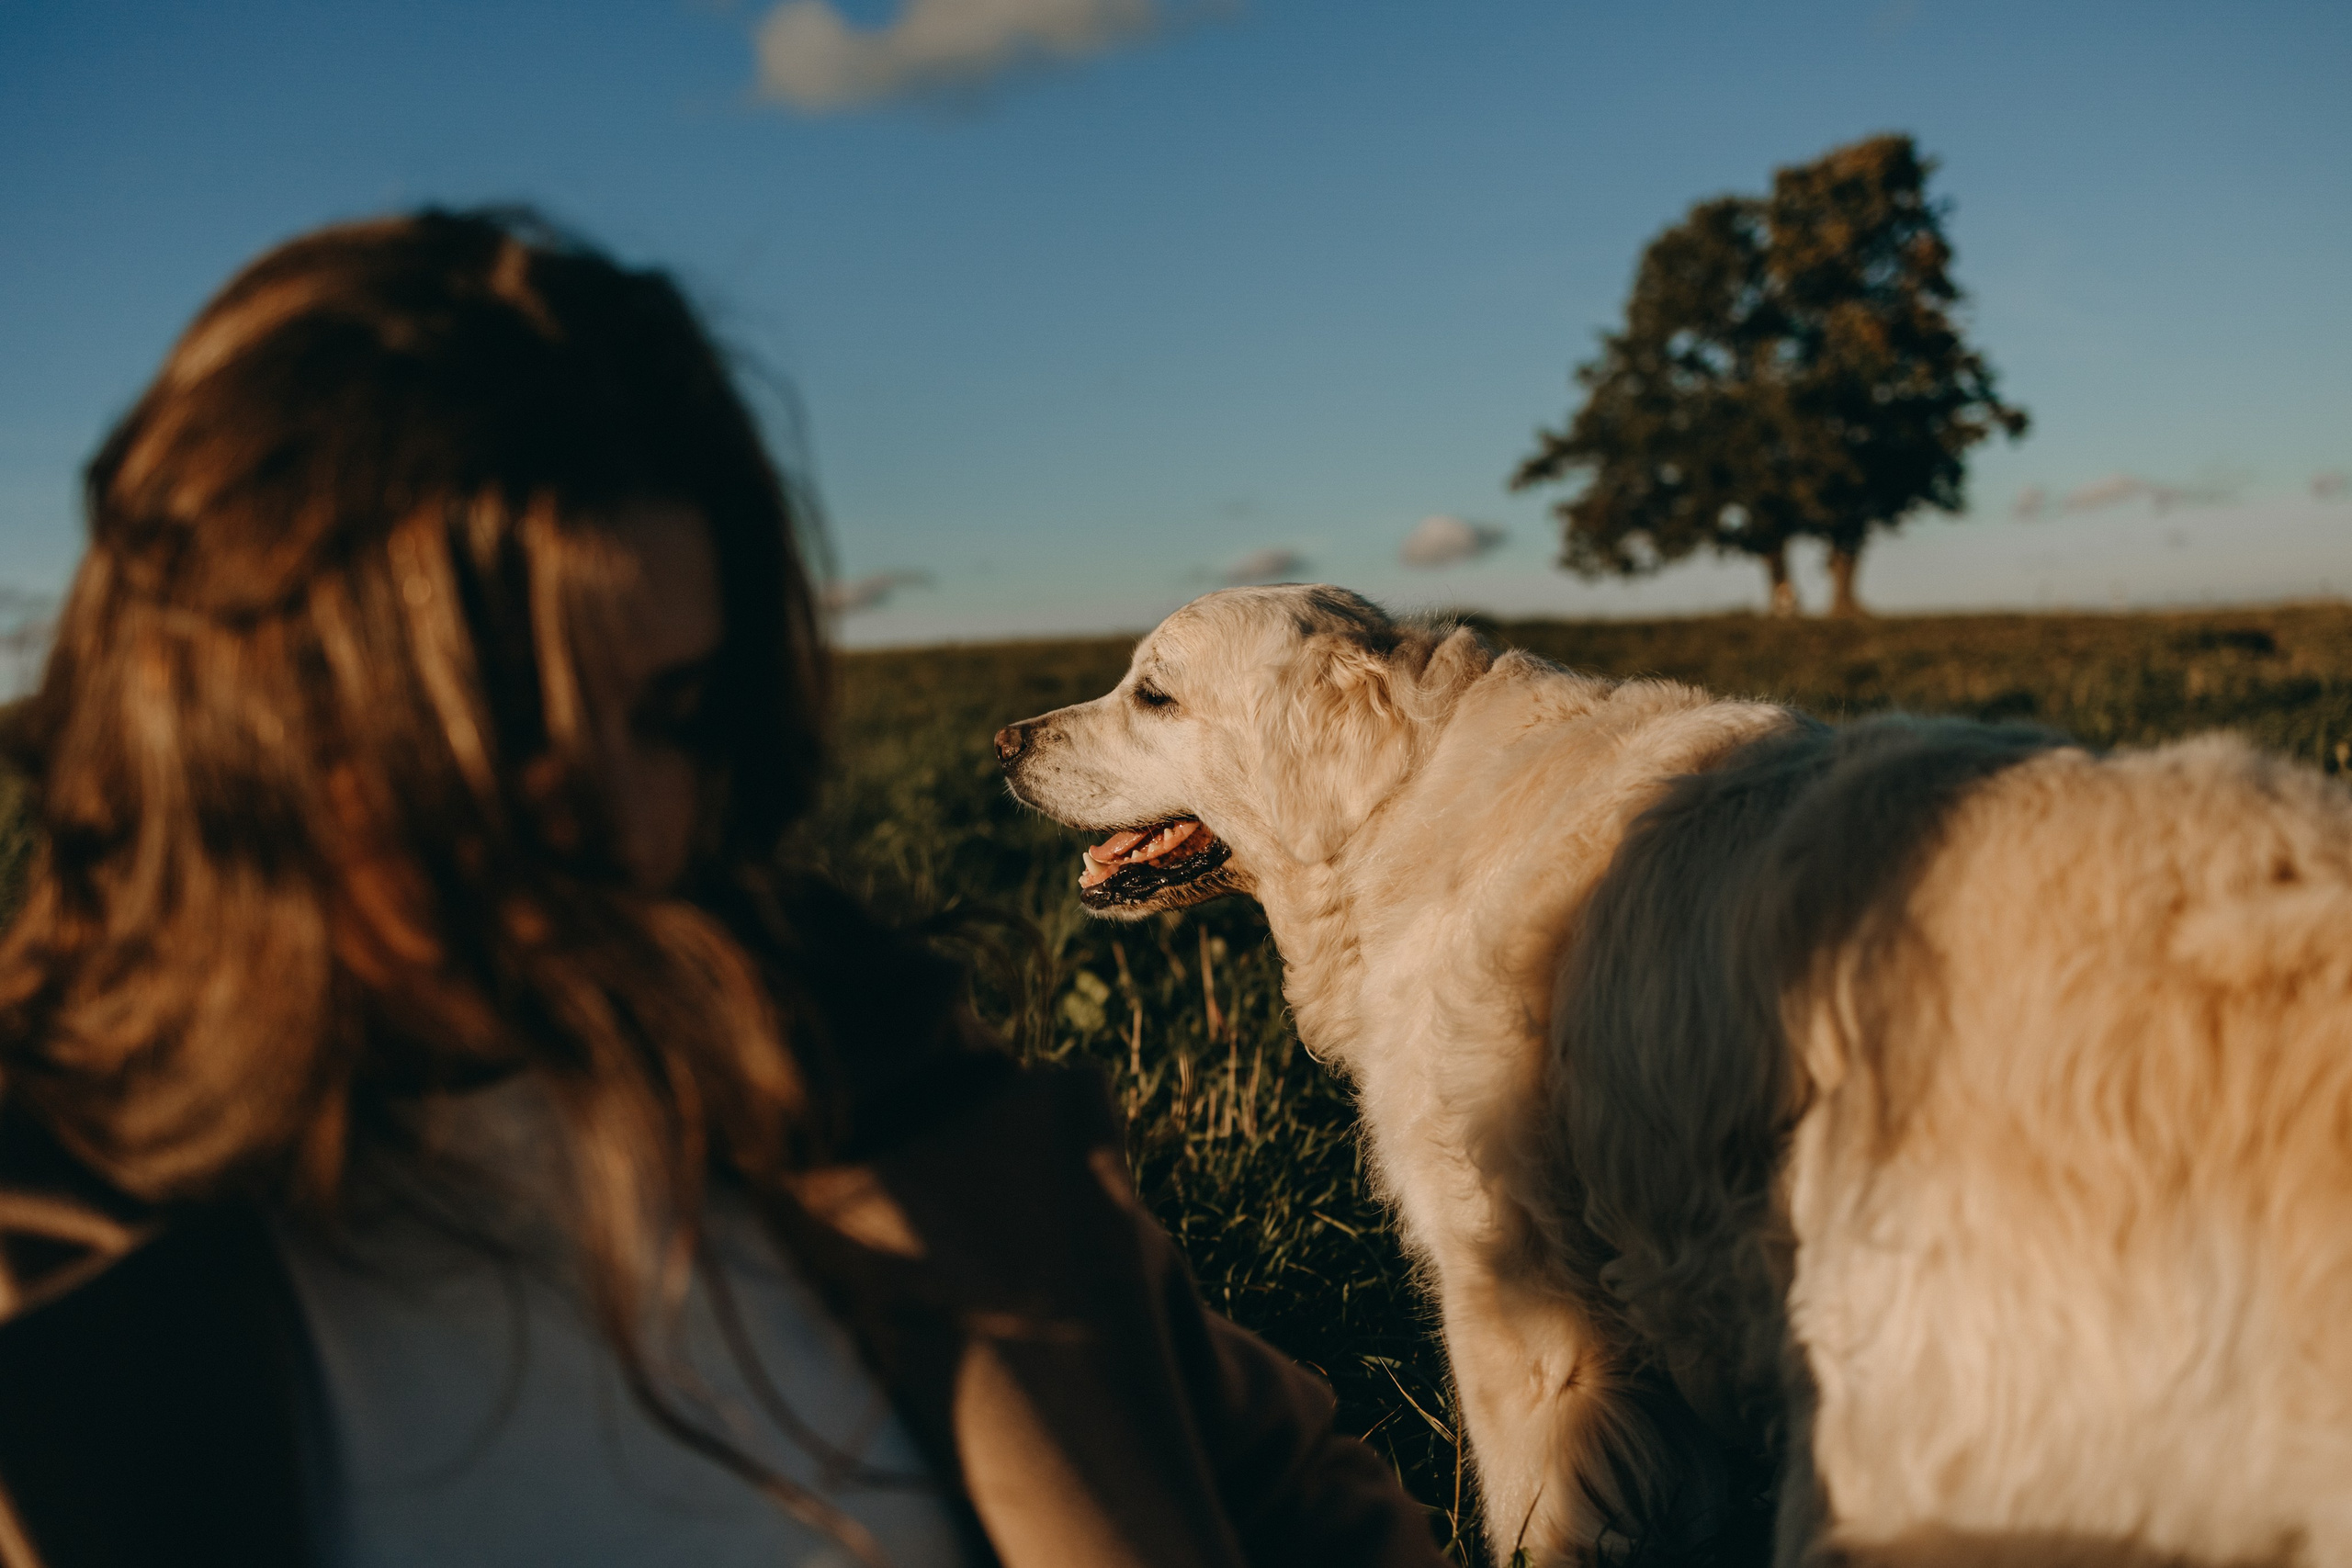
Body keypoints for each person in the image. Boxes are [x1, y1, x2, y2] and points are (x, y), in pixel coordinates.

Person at [0, 210, 1444, 1568]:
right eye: (514, 729)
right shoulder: (61, 1271)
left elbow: (1297, 1500)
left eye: (678, 715)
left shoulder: (882, 1088)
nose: (631, 828)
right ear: (228, 727)